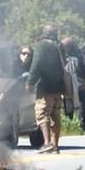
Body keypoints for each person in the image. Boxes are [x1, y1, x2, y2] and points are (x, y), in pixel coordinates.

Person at [27, 25, 66, 154]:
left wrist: (30, 82)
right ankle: (55, 145)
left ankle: (47, 143)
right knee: (55, 114)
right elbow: (64, 64)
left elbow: (36, 65)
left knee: (42, 113)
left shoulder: (41, 46)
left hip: (45, 86)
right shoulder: (59, 46)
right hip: (59, 86)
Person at [61, 38, 85, 133]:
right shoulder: (80, 56)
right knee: (82, 106)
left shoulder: (67, 57)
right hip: (79, 84)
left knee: (72, 106)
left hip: (73, 85)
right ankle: (84, 126)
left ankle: (75, 125)